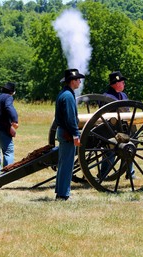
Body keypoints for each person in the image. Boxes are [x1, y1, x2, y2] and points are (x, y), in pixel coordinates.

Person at [54, 69, 85, 201]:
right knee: (67, 165)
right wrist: (75, 135)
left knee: (63, 164)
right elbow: (70, 118)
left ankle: (60, 192)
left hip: (63, 131)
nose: (79, 81)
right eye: (78, 79)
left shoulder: (64, 93)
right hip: (67, 133)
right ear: (72, 81)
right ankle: (63, 195)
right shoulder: (67, 96)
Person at [100, 71, 134, 179]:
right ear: (115, 83)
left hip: (124, 129)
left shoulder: (123, 95)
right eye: (122, 82)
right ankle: (103, 174)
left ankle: (130, 172)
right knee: (109, 152)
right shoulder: (106, 97)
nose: (124, 84)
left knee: (129, 149)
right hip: (110, 131)